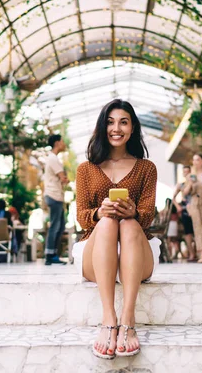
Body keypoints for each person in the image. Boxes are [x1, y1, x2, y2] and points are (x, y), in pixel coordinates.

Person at [72, 99, 160, 359]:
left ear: (133, 128)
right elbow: (81, 217)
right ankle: (109, 318)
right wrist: (99, 213)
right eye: (110, 122)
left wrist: (133, 212)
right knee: (108, 222)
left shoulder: (147, 168)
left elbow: (148, 216)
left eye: (123, 122)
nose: (116, 128)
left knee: (130, 223)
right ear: (102, 127)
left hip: (137, 255)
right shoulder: (85, 170)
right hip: (96, 256)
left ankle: (128, 319)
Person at [44, 134, 69, 266]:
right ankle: (50, 255)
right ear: (57, 143)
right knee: (55, 226)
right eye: (62, 141)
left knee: (60, 226)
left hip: (56, 196)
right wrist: (66, 179)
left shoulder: (53, 158)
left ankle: (53, 254)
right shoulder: (53, 159)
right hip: (53, 195)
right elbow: (63, 178)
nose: (64, 143)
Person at [171, 165, 196, 261]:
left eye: (187, 171)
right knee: (188, 232)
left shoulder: (193, 181)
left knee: (196, 232)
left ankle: (197, 252)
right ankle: (191, 254)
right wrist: (178, 207)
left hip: (195, 208)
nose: (186, 173)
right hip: (185, 211)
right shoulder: (180, 185)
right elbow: (173, 198)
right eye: (184, 171)